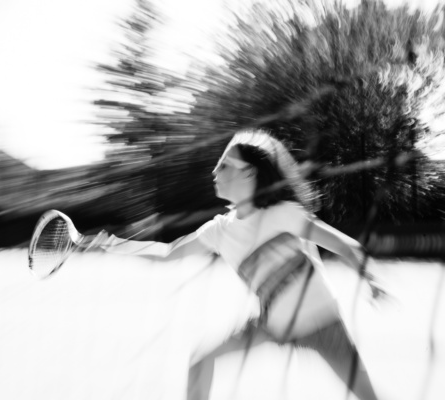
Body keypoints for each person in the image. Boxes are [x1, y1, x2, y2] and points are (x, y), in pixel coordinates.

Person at [86, 129, 384, 400]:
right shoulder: (219, 230)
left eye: (225, 165)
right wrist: (115, 245)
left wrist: (370, 279)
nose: (215, 171)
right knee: (200, 360)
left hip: (322, 324)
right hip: (273, 325)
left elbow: (345, 245)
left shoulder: (283, 213)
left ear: (249, 174)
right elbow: (167, 254)